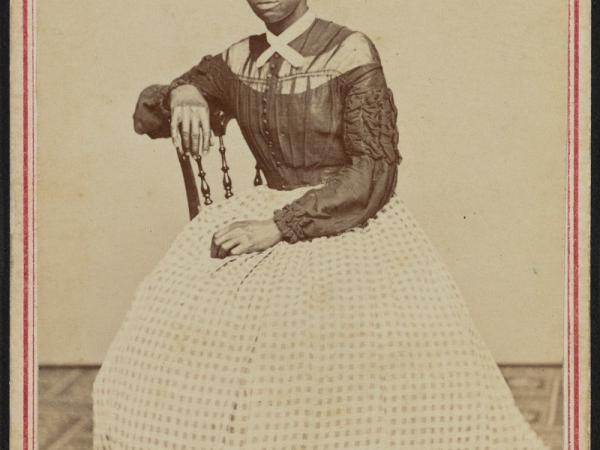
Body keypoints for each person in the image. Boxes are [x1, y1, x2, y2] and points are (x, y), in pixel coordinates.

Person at [93, 1, 549, 448]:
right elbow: (150, 117)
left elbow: (374, 171)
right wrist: (184, 92)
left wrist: (279, 225)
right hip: (259, 215)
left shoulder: (350, 51)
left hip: (345, 219)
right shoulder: (236, 60)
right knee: (156, 347)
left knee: (333, 357)